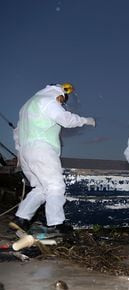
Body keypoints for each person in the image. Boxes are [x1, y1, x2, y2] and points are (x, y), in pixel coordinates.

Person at [11, 83, 96, 233]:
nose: (62, 103)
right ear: (58, 92)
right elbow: (65, 119)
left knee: (41, 188)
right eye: (62, 99)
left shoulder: (26, 106)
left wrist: (20, 153)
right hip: (41, 149)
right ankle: (56, 224)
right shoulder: (48, 100)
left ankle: (21, 219)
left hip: (25, 151)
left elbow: (17, 132)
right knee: (55, 186)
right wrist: (86, 120)